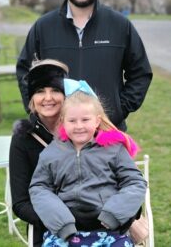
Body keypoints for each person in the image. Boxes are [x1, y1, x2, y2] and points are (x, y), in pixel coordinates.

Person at [16, 0, 153, 131]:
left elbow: (140, 73)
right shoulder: (44, 27)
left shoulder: (120, 25)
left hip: (107, 132)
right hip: (56, 135)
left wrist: (118, 110)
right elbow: (26, 71)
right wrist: (38, 112)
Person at [29, 79, 147, 246]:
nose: (79, 126)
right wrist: (62, 222)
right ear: (62, 121)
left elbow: (135, 182)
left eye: (85, 120)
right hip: (66, 231)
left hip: (107, 229)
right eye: (72, 121)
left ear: (97, 121)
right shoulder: (52, 153)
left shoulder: (114, 149)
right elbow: (39, 188)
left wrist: (114, 213)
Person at [9, 59, 69, 247]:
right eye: (40, 91)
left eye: (55, 90)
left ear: (66, 95)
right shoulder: (23, 138)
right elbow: (20, 203)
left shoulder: (82, 128)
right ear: (32, 100)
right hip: (47, 226)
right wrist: (60, 221)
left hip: (93, 220)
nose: (48, 98)